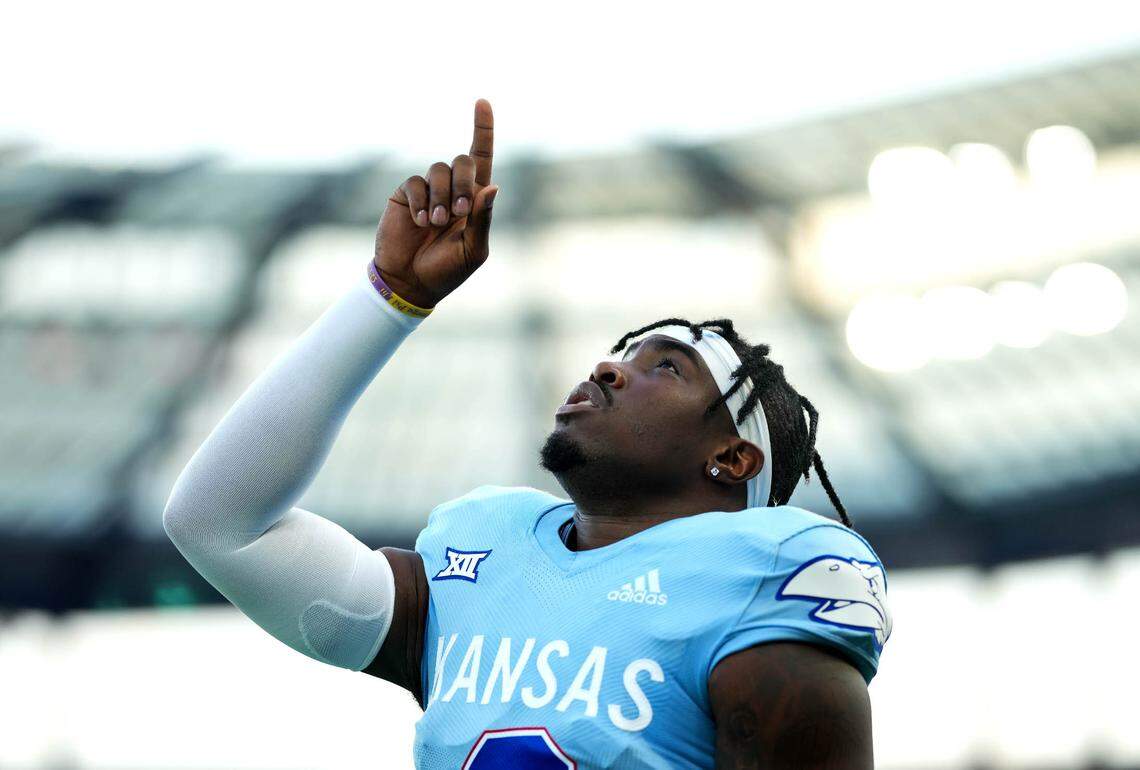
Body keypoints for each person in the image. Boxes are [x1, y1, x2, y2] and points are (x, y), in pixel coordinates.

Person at [163, 99, 891, 769]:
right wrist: (392, 296)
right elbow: (218, 523)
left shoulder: (763, 573)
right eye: (621, 354)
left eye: (665, 369)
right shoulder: (483, 554)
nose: (608, 369)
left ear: (732, 458)